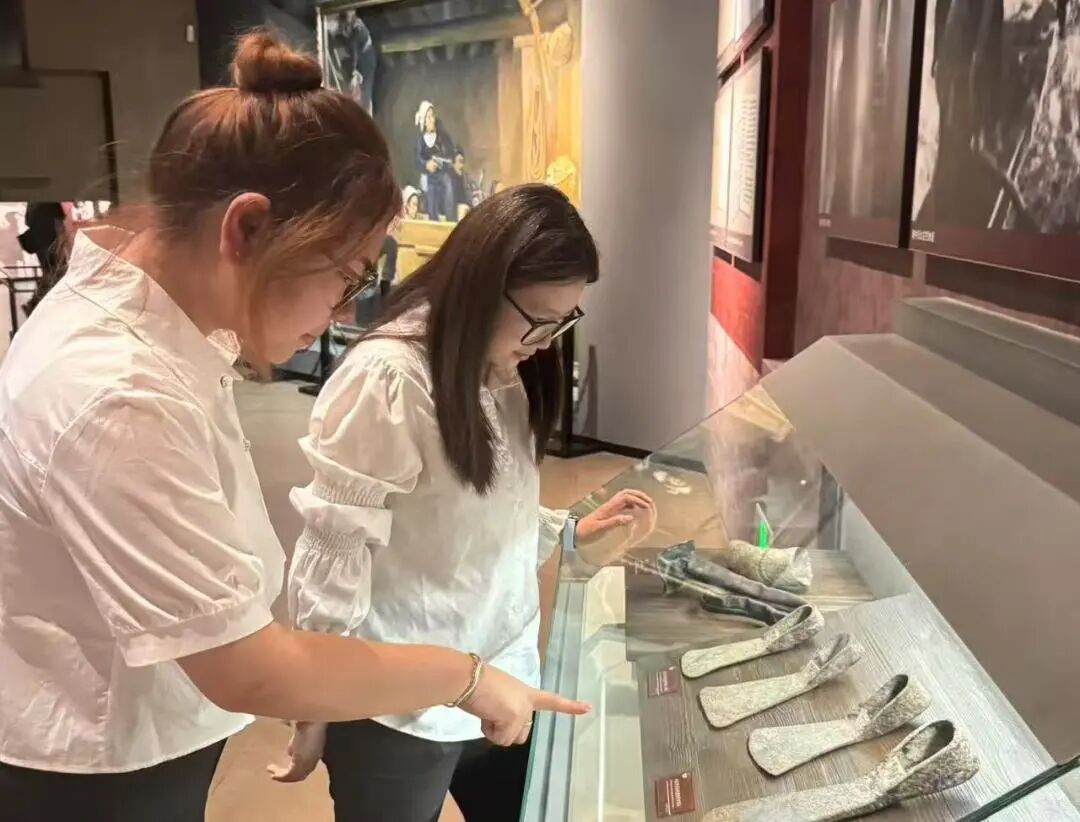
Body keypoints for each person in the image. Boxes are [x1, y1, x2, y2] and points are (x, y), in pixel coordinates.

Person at [0, 32, 587, 822]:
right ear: (247, 229)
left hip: (129, 725)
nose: (346, 309)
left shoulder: (148, 332)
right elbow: (252, 667)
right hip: (95, 754)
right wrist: (465, 676)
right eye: (346, 276)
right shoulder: (119, 391)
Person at [270, 184, 655, 822]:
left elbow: (475, 512)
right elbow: (333, 550)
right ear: (481, 286)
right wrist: (315, 706)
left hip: (501, 673)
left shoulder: (503, 369)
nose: (547, 340)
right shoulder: (391, 377)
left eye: (565, 322)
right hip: (397, 700)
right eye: (540, 320)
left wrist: (566, 532)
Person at [414, 101, 458, 221]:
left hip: (442, 173)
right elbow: (418, 160)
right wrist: (426, 164)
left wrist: (443, 161)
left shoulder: (442, 137)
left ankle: (450, 220)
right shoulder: (421, 141)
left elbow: (450, 154)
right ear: (424, 122)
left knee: (448, 188)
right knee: (431, 198)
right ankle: (433, 220)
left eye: (432, 116)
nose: (432, 120)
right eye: (428, 117)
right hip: (429, 176)